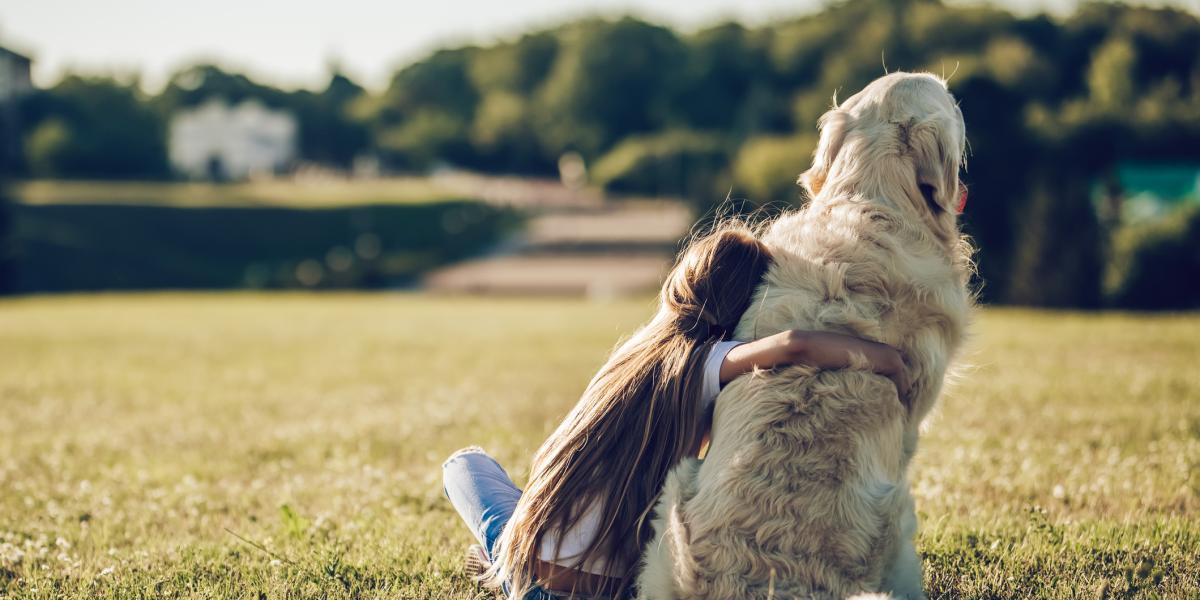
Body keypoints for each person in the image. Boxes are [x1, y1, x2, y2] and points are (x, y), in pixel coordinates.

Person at [442, 222, 910, 599]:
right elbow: (794, 344)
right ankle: (502, 556)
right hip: (612, 592)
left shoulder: (633, 356)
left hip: (532, 572)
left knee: (465, 465)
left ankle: (499, 559)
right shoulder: (704, 363)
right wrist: (889, 360)